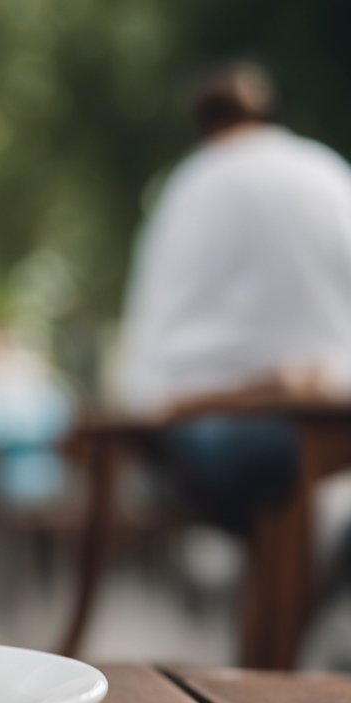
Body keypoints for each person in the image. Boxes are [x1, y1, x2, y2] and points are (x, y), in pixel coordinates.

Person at [119, 62, 351, 535]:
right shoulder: (327, 172)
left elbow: (151, 336)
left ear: (203, 123)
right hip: (335, 421)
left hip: (222, 428)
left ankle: (281, 593)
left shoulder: (189, 186)